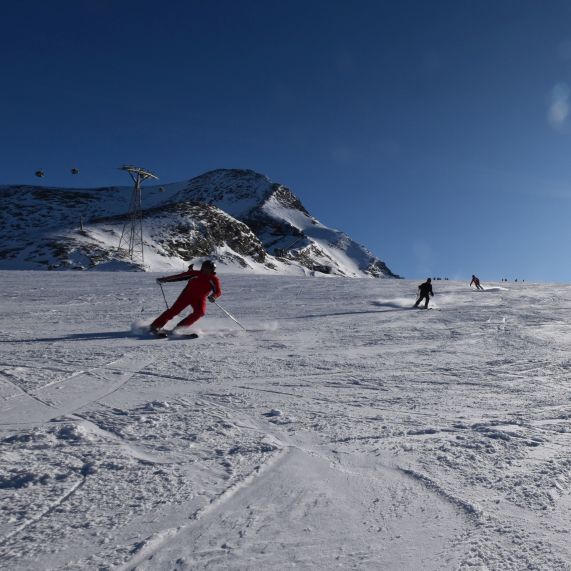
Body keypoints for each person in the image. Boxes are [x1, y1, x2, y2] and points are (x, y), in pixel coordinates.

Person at [150, 260, 222, 334]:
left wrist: (214, 296)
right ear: (202, 268)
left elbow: (218, 291)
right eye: (205, 268)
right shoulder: (194, 274)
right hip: (186, 296)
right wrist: (164, 279)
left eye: (209, 268)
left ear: (212, 270)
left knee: (200, 312)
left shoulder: (214, 279)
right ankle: (155, 326)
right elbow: (179, 277)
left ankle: (179, 328)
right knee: (174, 311)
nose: (206, 270)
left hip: (200, 299)